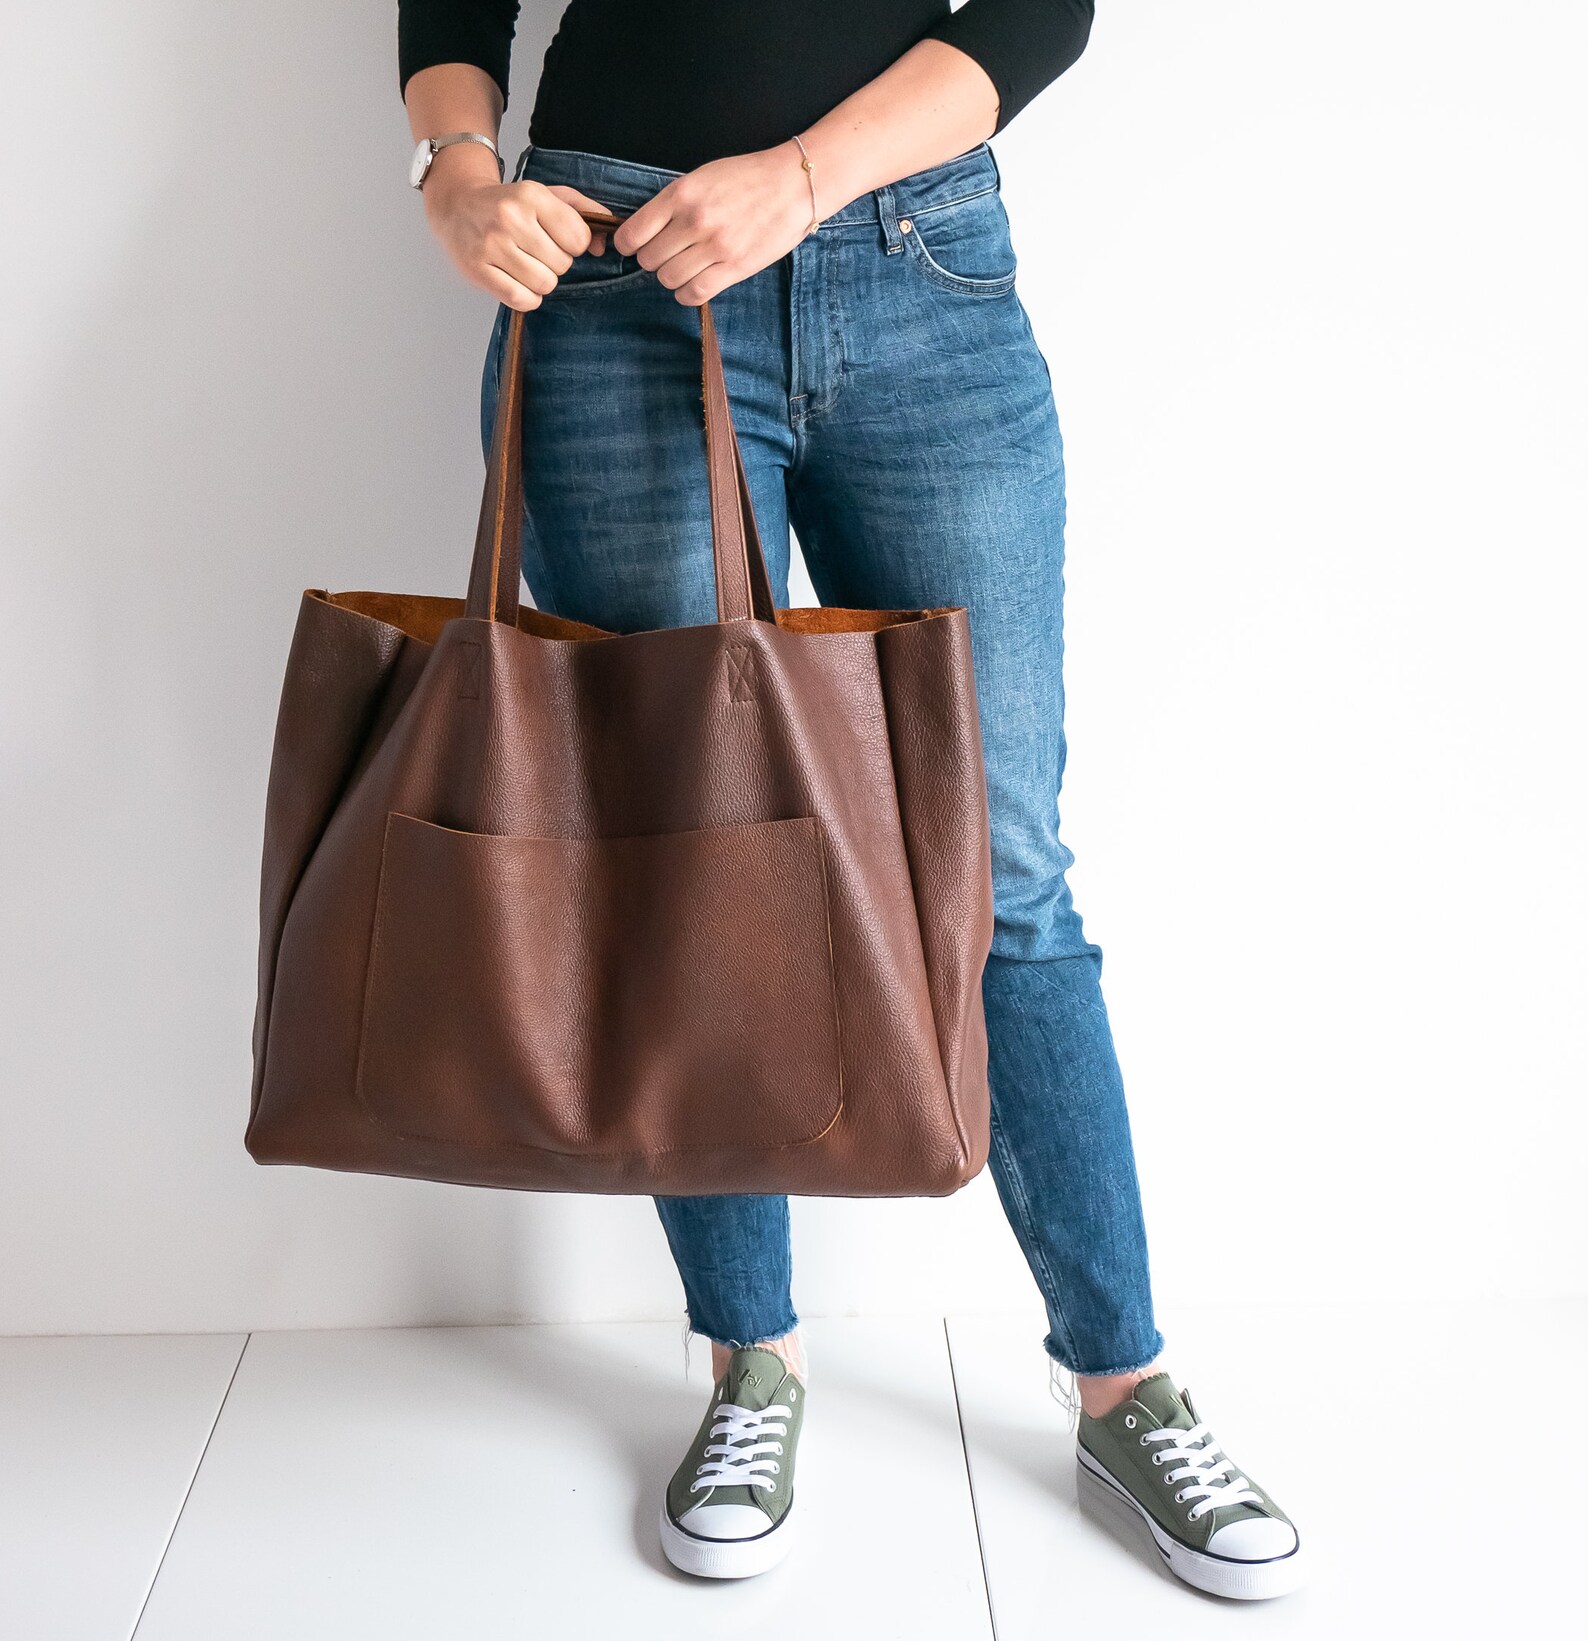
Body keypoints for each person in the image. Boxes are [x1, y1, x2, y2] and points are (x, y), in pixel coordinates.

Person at [396, 0, 1303, 1600]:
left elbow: (1044, 7)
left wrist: (805, 179)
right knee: (686, 864)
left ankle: (1125, 1385)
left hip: (917, 274)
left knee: (1002, 865)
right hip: (613, 279)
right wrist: (457, 175)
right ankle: (749, 1360)